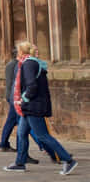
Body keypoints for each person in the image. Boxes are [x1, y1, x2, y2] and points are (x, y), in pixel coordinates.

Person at [5, 41, 77, 175]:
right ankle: (20, 163)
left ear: (22, 52)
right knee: (21, 133)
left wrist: (23, 99)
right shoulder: (31, 63)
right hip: (31, 106)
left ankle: (68, 159)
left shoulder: (28, 64)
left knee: (42, 135)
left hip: (33, 106)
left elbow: (32, 86)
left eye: (19, 50)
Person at [0, 48, 43, 164]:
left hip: (14, 97)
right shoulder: (17, 65)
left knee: (16, 123)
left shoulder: (12, 64)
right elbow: (19, 83)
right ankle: (43, 146)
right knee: (26, 124)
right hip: (16, 97)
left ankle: (7, 145)